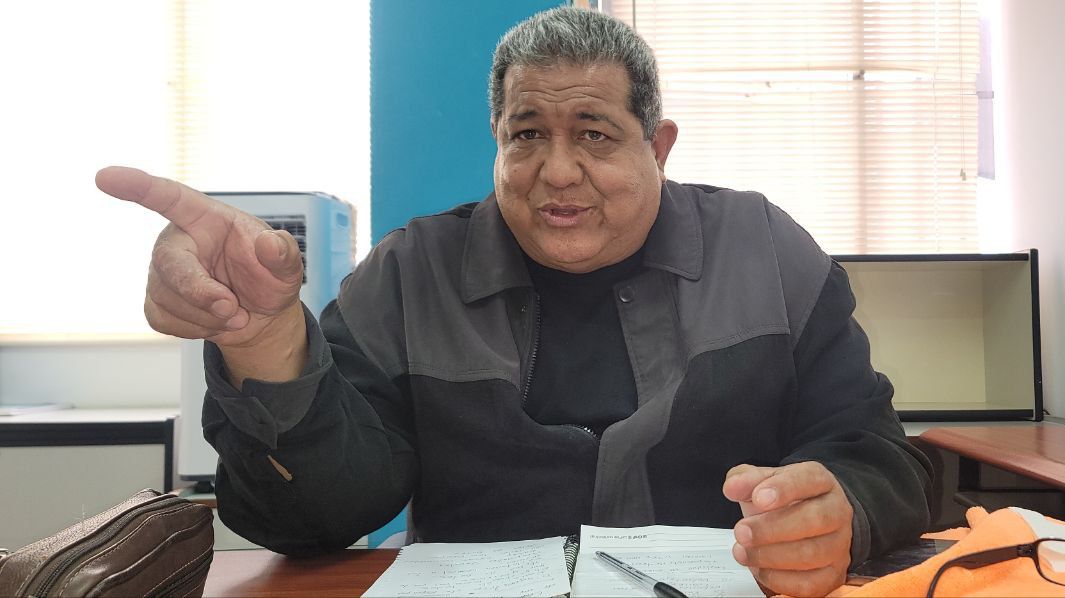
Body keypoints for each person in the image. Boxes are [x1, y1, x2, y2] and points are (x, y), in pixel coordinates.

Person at [96, 7, 931, 596]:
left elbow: (880, 454)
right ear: (497, 141)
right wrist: (263, 345)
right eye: (527, 134)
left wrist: (842, 511)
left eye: (594, 134)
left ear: (658, 145)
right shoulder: (410, 274)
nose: (557, 171)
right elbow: (315, 520)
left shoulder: (767, 251)